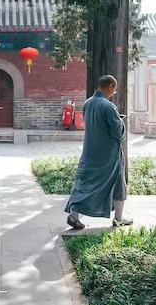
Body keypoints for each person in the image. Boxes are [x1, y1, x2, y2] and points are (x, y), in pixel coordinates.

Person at [65, 74, 133, 229]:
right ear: (109, 86)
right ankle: (118, 218)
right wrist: (121, 122)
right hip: (109, 155)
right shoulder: (108, 106)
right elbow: (118, 132)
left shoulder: (88, 103)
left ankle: (74, 216)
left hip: (90, 152)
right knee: (118, 183)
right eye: (113, 89)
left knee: (85, 184)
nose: (113, 93)